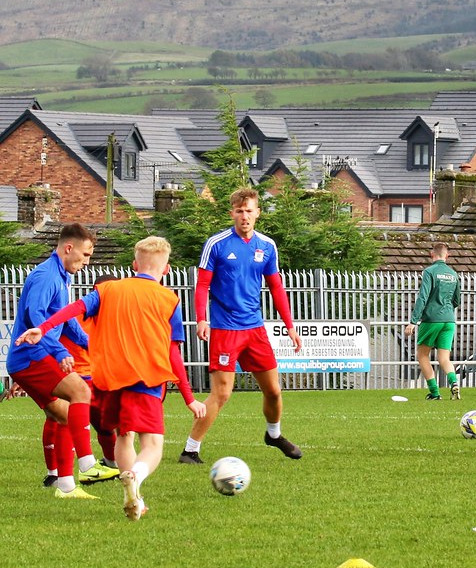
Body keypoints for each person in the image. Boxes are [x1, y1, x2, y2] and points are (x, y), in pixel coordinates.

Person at [17, 236, 208, 518]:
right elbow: (173, 354)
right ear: (166, 270)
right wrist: (190, 398)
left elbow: (75, 308)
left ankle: (135, 496)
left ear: (134, 265)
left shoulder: (111, 289)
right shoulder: (170, 299)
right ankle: (136, 476)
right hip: (147, 379)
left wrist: (42, 328)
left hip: (108, 381)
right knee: (153, 444)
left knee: (124, 436)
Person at [178, 187, 303, 464]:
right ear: (231, 213)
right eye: (239, 211)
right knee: (221, 394)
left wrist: (290, 326)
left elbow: (276, 288)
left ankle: (274, 435)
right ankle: (190, 450)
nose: (244, 216)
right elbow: (202, 285)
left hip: (255, 329)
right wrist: (202, 318)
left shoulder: (267, 246)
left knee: (273, 391)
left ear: (258, 213)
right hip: (225, 329)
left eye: (249, 210)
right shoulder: (217, 244)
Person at [4, 223, 119, 499]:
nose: (87, 262)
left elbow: (64, 322)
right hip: (30, 357)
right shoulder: (46, 276)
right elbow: (36, 318)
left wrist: (93, 346)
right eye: (86, 255)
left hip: (31, 358)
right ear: (69, 248)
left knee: (66, 415)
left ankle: (65, 486)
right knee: (80, 391)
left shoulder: (61, 275)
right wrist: (59, 352)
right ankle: (89, 464)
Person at [404, 242, 462, 400]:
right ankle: (454, 382)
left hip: (431, 319)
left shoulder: (429, 272)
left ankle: (435, 392)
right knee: (444, 358)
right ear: (447, 255)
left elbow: (423, 297)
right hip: (449, 320)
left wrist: (413, 321)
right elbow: (457, 299)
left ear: (432, 254)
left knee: (422, 355)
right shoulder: (453, 274)